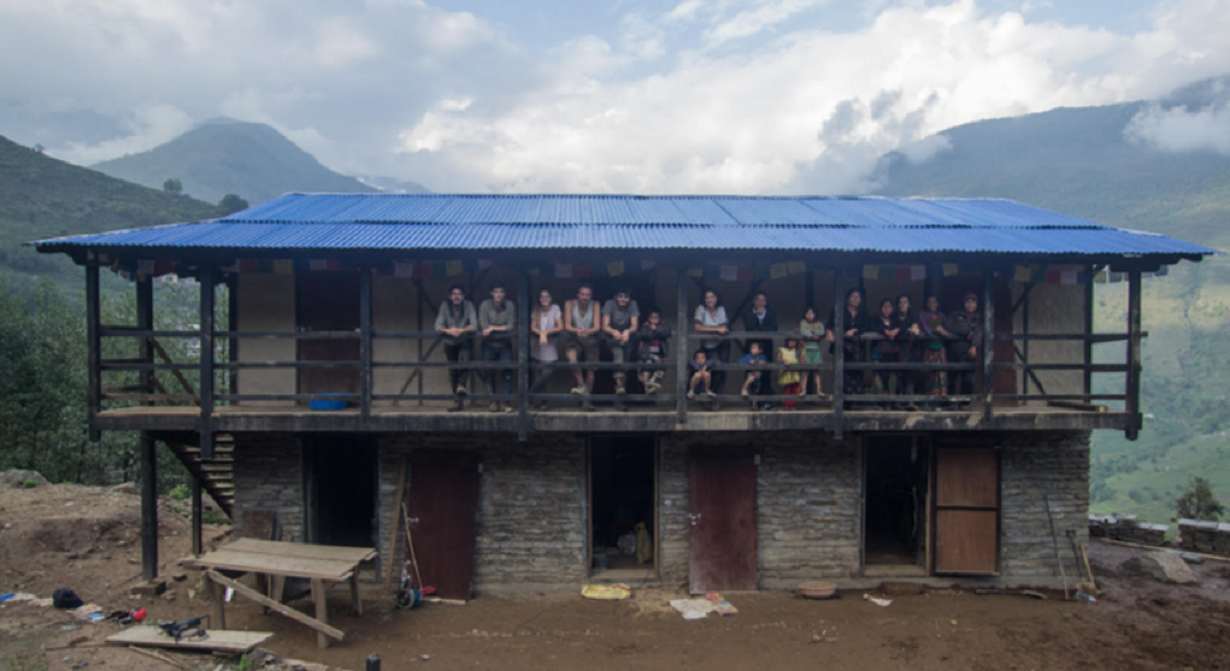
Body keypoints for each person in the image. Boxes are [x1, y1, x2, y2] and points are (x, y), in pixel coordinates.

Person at [434, 284, 477, 412]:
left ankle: (461, 385)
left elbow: (474, 325)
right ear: (450, 296)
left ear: (463, 296)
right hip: (450, 341)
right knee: (453, 371)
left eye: (459, 294)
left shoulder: (469, 305)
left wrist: (461, 330)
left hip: (464, 339)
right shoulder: (444, 306)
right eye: (454, 294)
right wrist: (449, 331)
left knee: (464, 362)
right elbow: (437, 326)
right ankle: (457, 402)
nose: (456, 296)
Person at [478, 282, 517, 413]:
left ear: (504, 294)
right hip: (488, 345)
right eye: (496, 291)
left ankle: (504, 403)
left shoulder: (510, 305)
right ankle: (493, 402)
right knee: (488, 373)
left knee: (507, 372)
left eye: (501, 292)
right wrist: (499, 328)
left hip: (505, 344)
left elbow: (511, 326)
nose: (499, 294)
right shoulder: (484, 305)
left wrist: (493, 327)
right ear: (491, 293)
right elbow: (484, 325)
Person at [826, 288, 868, 406]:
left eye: (858, 297)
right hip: (842, 348)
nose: (855, 299)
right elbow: (828, 324)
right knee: (842, 373)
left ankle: (855, 402)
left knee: (856, 373)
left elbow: (866, 326)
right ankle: (842, 403)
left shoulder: (863, 312)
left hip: (856, 350)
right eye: (853, 296)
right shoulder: (839, 309)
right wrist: (829, 332)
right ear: (847, 298)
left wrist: (854, 330)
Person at [563, 283, 600, 410]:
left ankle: (587, 401)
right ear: (578, 295)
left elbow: (597, 326)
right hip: (574, 337)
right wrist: (577, 331)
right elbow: (567, 325)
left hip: (590, 338)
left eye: (588, 295)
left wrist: (587, 332)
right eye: (582, 294)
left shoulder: (595, 304)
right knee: (572, 359)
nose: (585, 297)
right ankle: (581, 384)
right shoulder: (570, 304)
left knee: (591, 369)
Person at [741, 291, 778, 409]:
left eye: (763, 300)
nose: (761, 302)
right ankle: (753, 401)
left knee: (766, 373)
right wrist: (756, 315)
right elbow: (750, 327)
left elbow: (774, 327)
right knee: (751, 373)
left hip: (766, 347)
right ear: (753, 301)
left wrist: (762, 320)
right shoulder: (748, 313)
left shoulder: (771, 312)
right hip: (751, 347)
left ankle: (766, 401)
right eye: (758, 300)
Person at [693, 289, 730, 405]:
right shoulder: (701, 309)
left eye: (712, 297)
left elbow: (723, 328)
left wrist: (716, 329)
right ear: (704, 300)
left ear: (717, 298)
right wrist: (716, 329)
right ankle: (707, 396)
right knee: (713, 369)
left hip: (722, 343)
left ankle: (717, 398)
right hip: (709, 345)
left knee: (722, 370)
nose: (710, 300)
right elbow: (698, 327)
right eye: (707, 297)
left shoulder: (721, 309)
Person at [601, 286, 640, 396]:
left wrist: (627, 332)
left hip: (627, 338)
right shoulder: (609, 304)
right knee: (618, 355)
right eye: (620, 296)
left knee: (625, 364)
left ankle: (621, 393)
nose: (623, 299)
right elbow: (605, 325)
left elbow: (634, 325)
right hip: (612, 337)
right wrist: (614, 332)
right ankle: (619, 386)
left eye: (626, 297)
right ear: (615, 297)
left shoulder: (633, 304)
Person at [529, 288, 563, 410]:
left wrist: (545, 333)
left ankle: (529, 395)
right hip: (537, 348)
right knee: (538, 377)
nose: (544, 299)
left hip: (551, 348)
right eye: (542, 296)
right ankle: (543, 403)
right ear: (539, 299)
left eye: (547, 296)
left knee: (546, 374)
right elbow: (533, 327)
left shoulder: (555, 308)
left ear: (551, 298)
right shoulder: (535, 309)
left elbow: (560, 327)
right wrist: (541, 334)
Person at [947, 292, 983, 404]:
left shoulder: (979, 318)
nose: (970, 305)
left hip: (969, 353)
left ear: (976, 305)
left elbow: (980, 331)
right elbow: (949, 327)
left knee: (968, 381)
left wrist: (974, 345)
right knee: (951, 380)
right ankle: (950, 405)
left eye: (973, 302)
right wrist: (967, 331)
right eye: (967, 302)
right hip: (954, 351)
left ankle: (964, 405)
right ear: (964, 304)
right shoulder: (955, 315)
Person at [868, 298, 905, 404]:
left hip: (892, 354)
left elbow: (903, 327)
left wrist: (896, 331)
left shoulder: (896, 320)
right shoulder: (875, 319)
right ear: (880, 308)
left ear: (892, 309)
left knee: (893, 376)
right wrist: (886, 332)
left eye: (889, 307)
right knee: (878, 376)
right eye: (884, 306)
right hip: (878, 354)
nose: (886, 309)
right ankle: (879, 403)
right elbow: (874, 327)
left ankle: (892, 402)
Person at [917, 295, 950, 407]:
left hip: (940, 349)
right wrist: (936, 331)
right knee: (928, 374)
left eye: (934, 302)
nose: (932, 304)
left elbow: (948, 330)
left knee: (940, 374)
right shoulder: (923, 315)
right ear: (927, 304)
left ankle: (938, 403)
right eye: (929, 302)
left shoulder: (942, 316)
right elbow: (925, 329)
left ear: (938, 304)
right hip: (928, 349)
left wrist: (944, 332)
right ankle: (926, 401)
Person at [894, 293, 922, 410]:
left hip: (910, 351)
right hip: (896, 350)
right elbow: (895, 331)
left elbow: (916, 330)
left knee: (909, 375)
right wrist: (907, 330)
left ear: (909, 304)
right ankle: (899, 403)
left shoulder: (913, 316)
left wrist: (912, 329)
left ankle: (909, 401)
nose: (902, 304)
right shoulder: (894, 317)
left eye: (905, 302)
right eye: (900, 302)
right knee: (898, 376)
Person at [635, 308, 671, 394]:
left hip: (657, 354)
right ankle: (647, 387)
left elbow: (666, 333)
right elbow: (645, 335)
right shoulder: (645, 326)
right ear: (649, 318)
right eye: (652, 317)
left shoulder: (663, 325)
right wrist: (654, 332)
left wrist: (654, 330)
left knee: (661, 367)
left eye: (656, 317)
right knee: (646, 367)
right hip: (646, 354)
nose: (654, 319)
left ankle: (653, 381)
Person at [799, 307, 827, 400]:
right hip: (806, 350)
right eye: (808, 312)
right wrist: (813, 336)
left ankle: (819, 390)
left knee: (816, 371)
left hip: (816, 350)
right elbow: (803, 331)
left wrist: (812, 331)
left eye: (812, 313)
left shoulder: (819, 323)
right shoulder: (803, 322)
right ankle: (803, 390)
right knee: (805, 372)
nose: (810, 315)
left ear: (815, 314)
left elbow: (822, 332)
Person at [777, 337, 804, 410]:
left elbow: (802, 345)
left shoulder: (796, 350)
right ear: (787, 342)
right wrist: (784, 361)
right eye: (790, 341)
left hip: (794, 371)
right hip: (786, 372)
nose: (792, 343)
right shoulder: (782, 350)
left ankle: (792, 405)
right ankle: (786, 405)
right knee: (786, 389)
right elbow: (778, 359)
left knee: (795, 389)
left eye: (794, 341)